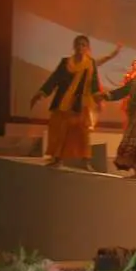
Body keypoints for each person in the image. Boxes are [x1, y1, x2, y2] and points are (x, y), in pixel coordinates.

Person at [30, 34, 103, 169]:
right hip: (63, 102)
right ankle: (57, 159)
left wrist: (98, 99)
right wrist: (42, 92)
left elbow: (94, 84)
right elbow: (54, 79)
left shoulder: (90, 63)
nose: (80, 47)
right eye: (78, 44)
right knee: (59, 130)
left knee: (83, 132)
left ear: (87, 48)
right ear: (74, 46)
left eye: (83, 45)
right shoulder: (65, 62)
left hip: (80, 103)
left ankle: (86, 161)